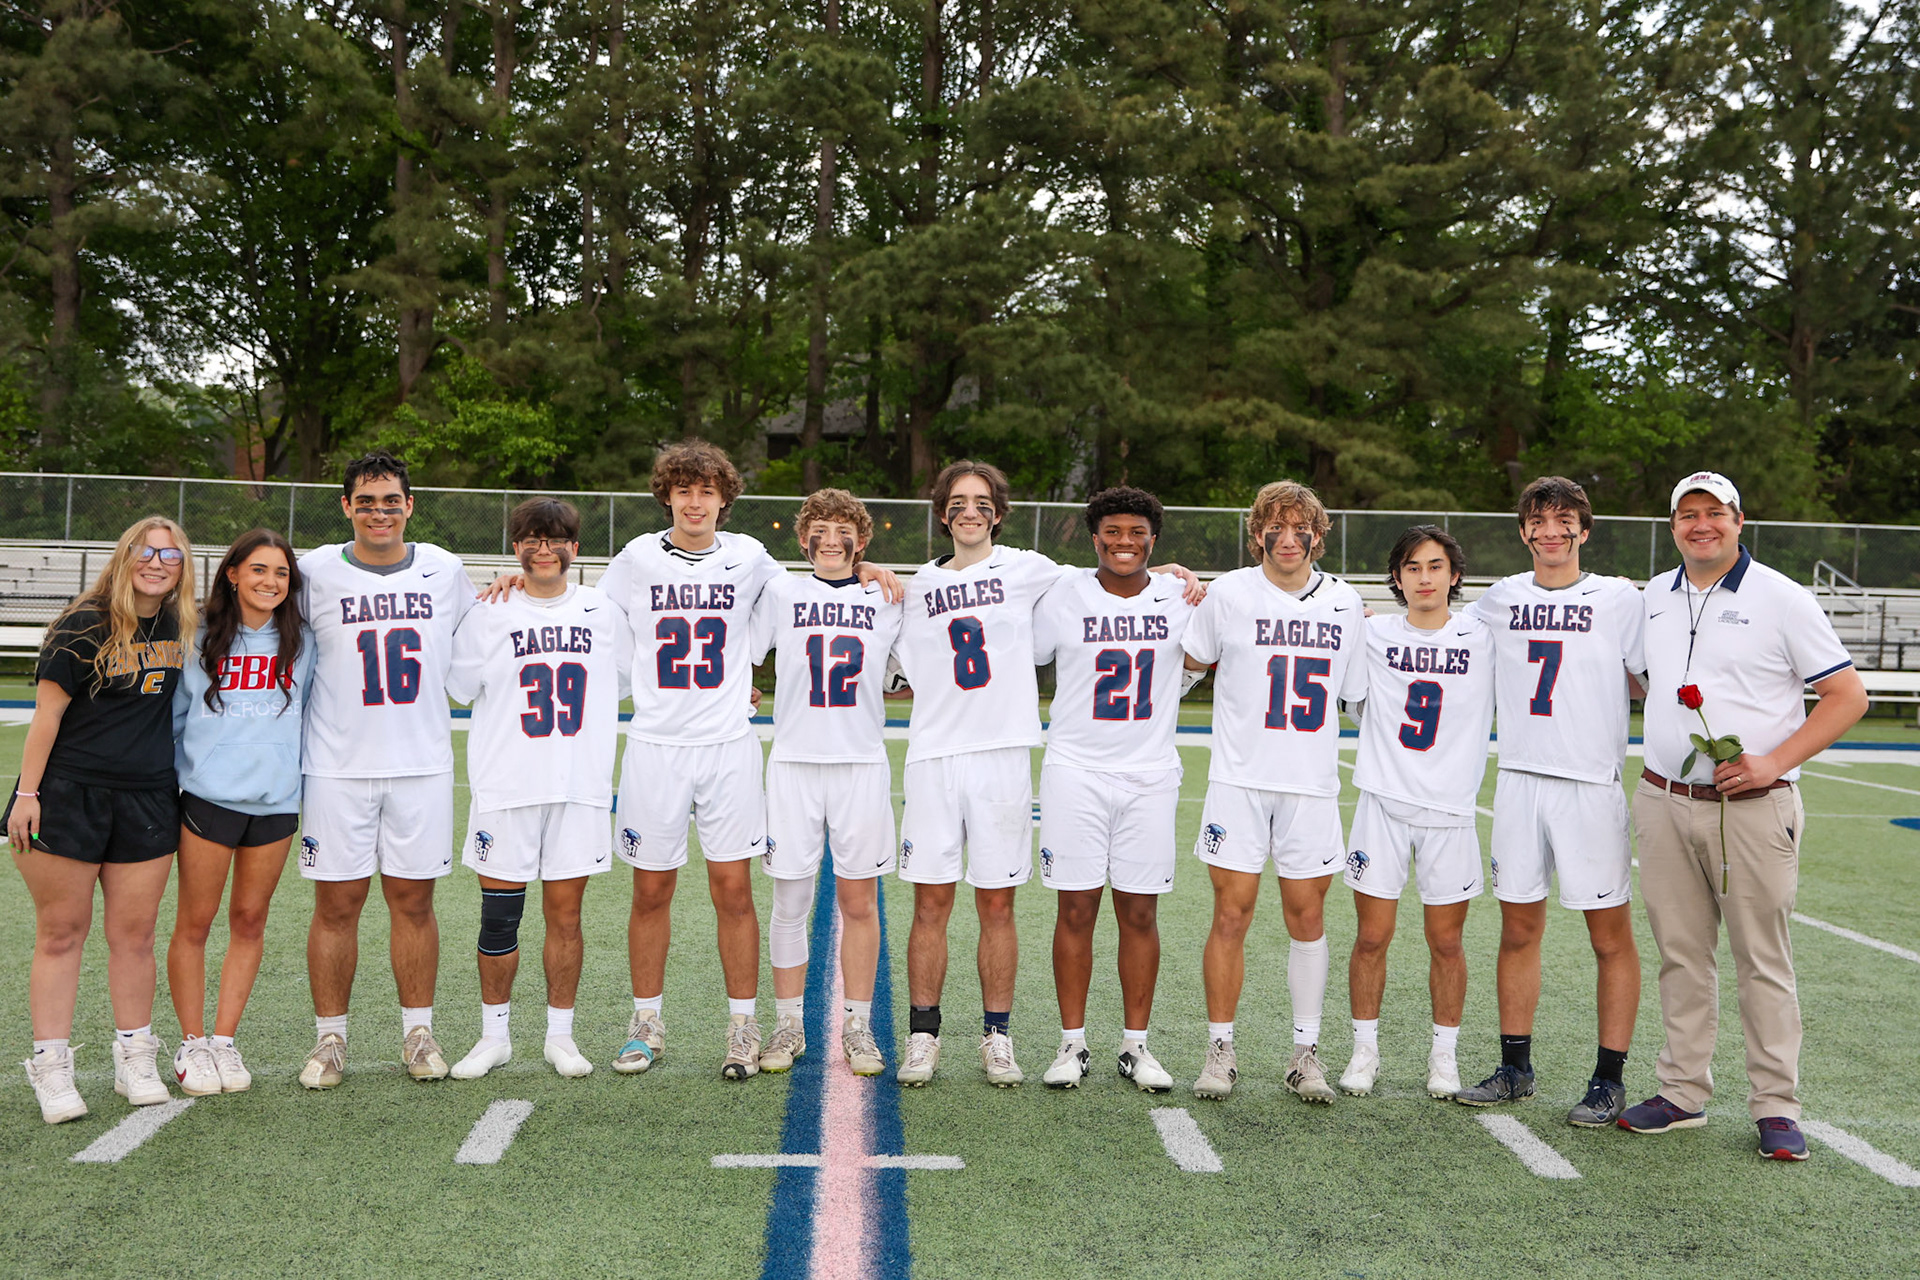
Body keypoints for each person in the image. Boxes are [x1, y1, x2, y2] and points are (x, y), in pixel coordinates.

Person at [584, 442, 899, 1080]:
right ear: (667, 495)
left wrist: (877, 570)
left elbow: (827, 584)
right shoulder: (636, 557)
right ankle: (646, 1021)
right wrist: (516, 579)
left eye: (706, 490)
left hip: (730, 744)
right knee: (650, 888)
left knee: (735, 890)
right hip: (655, 743)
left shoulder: (753, 560)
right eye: (683, 489)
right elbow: (584, 607)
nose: (694, 501)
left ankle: (745, 1024)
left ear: (725, 499)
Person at [890, 460, 1200, 1087]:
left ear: (999, 513)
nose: (969, 511)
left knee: (998, 902)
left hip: (1005, 752)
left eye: (981, 501)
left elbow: (1119, 563)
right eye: (957, 501)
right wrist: (871, 571)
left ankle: (997, 1039)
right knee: (930, 902)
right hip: (933, 756)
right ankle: (923, 1036)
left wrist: (1165, 570)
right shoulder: (915, 585)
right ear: (941, 512)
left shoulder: (1036, 572)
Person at [1621, 471, 1865, 1160]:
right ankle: (1682, 1091)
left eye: (1714, 513)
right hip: (1665, 799)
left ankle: (1776, 1105)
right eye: (1687, 514)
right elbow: (1641, 679)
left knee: (1763, 960)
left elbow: (1847, 696)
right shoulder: (1654, 597)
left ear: (1739, 520)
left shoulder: (1783, 598)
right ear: (1673, 526)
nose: (1701, 524)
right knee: (1681, 956)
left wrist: (1773, 761)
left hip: (1753, 808)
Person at [1452, 477, 1647, 1126]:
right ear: (1523, 531)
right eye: (1539, 519)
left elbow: (1656, 677)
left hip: (1590, 784)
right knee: (1517, 929)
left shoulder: (1620, 599)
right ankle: (1515, 1067)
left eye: (1565, 519)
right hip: (1519, 781)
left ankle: (1609, 1077)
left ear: (1584, 531)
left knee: (1609, 936)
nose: (1551, 530)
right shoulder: (1500, 599)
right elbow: (1431, 635)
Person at [296, 450, 476, 1088]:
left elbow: (484, 641)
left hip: (420, 764)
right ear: (346, 506)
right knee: (336, 904)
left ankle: (418, 1033)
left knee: (414, 902)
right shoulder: (313, 570)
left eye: (390, 500)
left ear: (410, 505)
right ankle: (330, 1039)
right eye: (366, 501)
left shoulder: (445, 569)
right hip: (336, 767)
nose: (379, 511)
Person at [1183, 480, 1367, 1102]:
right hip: (1238, 780)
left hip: (1311, 785)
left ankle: (1305, 1051)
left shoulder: (1346, 603)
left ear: (1319, 534)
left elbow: (1361, 698)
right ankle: (1221, 1046)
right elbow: (1189, 663)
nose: (1287, 539)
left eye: (1300, 528)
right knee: (1230, 914)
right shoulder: (1230, 592)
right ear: (1256, 530)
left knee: (1307, 918)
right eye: (1275, 527)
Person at [7, 516, 193, 1123]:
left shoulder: (180, 621)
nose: (157, 562)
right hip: (68, 794)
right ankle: (51, 1063)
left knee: (134, 938)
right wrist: (27, 795)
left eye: (170, 554)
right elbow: (46, 719)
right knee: (62, 933)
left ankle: (135, 1053)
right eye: (146, 550)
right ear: (125, 555)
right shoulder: (81, 623)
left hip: (146, 798)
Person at [442, 499, 632, 1081]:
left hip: (577, 787)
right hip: (506, 784)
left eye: (554, 539)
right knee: (498, 919)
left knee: (565, 918)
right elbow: (461, 687)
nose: (542, 548)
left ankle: (560, 1036)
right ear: (515, 545)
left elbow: (630, 683)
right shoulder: (487, 612)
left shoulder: (604, 611)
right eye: (530, 538)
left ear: (575, 548)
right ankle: (493, 1036)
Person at [1032, 486, 1195, 1093]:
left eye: (1136, 533)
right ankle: (1072, 1044)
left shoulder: (1183, 595)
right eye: (1112, 532)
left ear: (1154, 539)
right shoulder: (1065, 593)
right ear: (1094, 536)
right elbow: (1022, 646)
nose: (1124, 543)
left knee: (1140, 910)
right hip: (1074, 768)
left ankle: (1135, 1044)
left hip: (1149, 773)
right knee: (1075, 908)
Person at [749, 488, 905, 1078]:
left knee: (859, 901)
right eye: (820, 528)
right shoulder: (782, 591)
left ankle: (858, 1024)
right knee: (789, 899)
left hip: (860, 762)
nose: (831, 540)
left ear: (862, 541)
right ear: (802, 537)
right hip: (792, 762)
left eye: (844, 531)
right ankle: (789, 1023)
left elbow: (916, 665)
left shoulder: (886, 595)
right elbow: (737, 644)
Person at [1338, 526, 1493, 1101]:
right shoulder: (1373, 633)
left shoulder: (1484, 633)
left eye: (1434, 566)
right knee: (1371, 937)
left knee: (1446, 942)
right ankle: (1364, 1051)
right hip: (1382, 802)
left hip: (1450, 810)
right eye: (1411, 567)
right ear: (1396, 579)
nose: (1423, 577)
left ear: (1454, 575)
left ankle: (1444, 1057)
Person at [168, 528, 315, 1096]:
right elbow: (177, 720)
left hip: (276, 803)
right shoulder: (198, 636)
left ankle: (225, 1042)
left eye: (280, 573)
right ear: (233, 574)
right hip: (209, 799)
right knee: (196, 923)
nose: (270, 582)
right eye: (258, 570)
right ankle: (192, 1042)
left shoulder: (303, 640)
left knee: (250, 921)